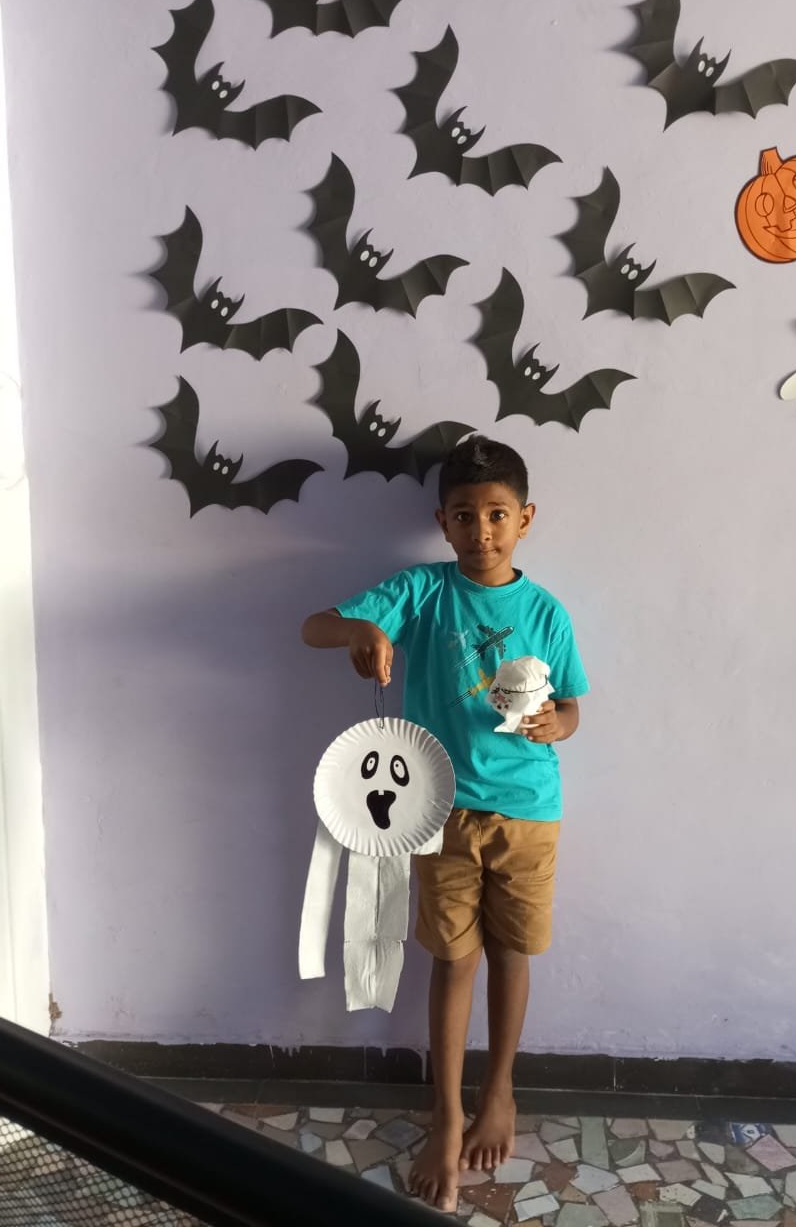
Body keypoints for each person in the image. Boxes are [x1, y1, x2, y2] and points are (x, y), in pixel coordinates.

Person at [301, 435, 588, 1212]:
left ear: (524, 518)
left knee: (512, 954)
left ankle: (500, 1093)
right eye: (464, 515)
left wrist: (556, 725)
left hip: (528, 812)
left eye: (496, 514)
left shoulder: (545, 611)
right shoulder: (422, 592)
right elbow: (313, 627)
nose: (481, 530)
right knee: (453, 960)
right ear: (442, 522)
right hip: (440, 810)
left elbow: (570, 707)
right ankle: (447, 1114)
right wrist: (362, 631)